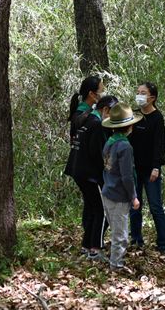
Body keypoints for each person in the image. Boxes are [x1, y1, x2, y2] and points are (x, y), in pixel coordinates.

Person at [64, 76, 107, 258]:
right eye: (101, 90)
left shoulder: (81, 114)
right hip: (88, 171)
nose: (102, 93)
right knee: (101, 209)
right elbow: (95, 150)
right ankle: (94, 248)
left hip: (77, 168)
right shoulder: (90, 118)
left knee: (91, 206)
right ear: (92, 94)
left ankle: (86, 244)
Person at [128, 82, 165, 252]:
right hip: (134, 169)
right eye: (138, 92)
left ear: (152, 97)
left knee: (155, 207)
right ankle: (136, 239)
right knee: (135, 206)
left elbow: (159, 144)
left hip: (150, 170)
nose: (139, 95)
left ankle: (162, 244)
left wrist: (156, 167)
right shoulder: (134, 115)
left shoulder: (157, 118)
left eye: (143, 93)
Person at [101, 103, 142, 271]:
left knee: (116, 230)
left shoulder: (109, 141)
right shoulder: (125, 146)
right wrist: (133, 196)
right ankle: (116, 265)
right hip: (118, 195)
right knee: (121, 234)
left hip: (107, 192)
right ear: (129, 126)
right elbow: (126, 176)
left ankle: (115, 262)